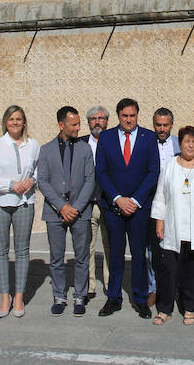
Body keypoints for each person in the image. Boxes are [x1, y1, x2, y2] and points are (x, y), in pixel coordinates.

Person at [95, 98, 160, 319]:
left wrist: (136, 200)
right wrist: (117, 198)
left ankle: (141, 299)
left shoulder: (149, 137)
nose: (129, 120)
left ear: (137, 115)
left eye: (132, 116)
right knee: (114, 255)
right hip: (113, 207)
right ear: (118, 116)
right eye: (125, 116)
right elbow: (101, 172)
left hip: (139, 208)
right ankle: (113, 298)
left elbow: (153, 171)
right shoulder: (106, 137)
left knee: (139, 255)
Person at [150, 126, 194, 325]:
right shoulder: (170, 166)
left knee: (193, 271)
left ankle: (189, 308)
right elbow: (161, 194)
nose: (191, 145)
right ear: (179, 143)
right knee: (169, 270)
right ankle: (165, 308)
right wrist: (159, 221)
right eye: (187, 141)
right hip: (173, 226)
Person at [0, 105, 38, 319]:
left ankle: (19, 296)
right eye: (12, 119)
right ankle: (5, 296)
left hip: (24, 203)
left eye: (19, 119)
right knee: (1, 251)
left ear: (24, 121)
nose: (15, 122)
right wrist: (11, 185)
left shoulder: (33, 145)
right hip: (0, 202)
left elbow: (39, 171)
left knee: (22, 251)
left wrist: (32, 181)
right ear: (5, 122)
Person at [38, 106, 95, 317]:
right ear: (61, 125)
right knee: (56, 257)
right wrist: (61, 206)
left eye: (79, 124)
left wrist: (76, 207)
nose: (79, 128)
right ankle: (59, 296)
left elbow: (90, 180)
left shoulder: (85, 149)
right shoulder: (46, 150)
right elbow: (42, 181)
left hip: (80, 212)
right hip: (55, 212)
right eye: (74, 124)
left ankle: (80, 295)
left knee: (81, 256)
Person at [81, 105, 111, 301]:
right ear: (88, 122)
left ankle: (109, 284)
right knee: (87, 246)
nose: (97, 122)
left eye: (101, 118)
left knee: (110, 246)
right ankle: (90, 285)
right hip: (88, 203)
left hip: (108, 202)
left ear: (107, 121)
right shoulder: (80, 143)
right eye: (93, 119)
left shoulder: (114, 141)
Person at [149, 108, 179, 305]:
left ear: (171, 125)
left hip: (176, 202)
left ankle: (174, 286)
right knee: (152, 247)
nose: (162, 128)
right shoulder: (147, 142)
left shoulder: (179, 144)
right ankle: (153, 287)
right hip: (152, 200)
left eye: (165, 125)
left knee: (175, 246)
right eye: (158, 125)